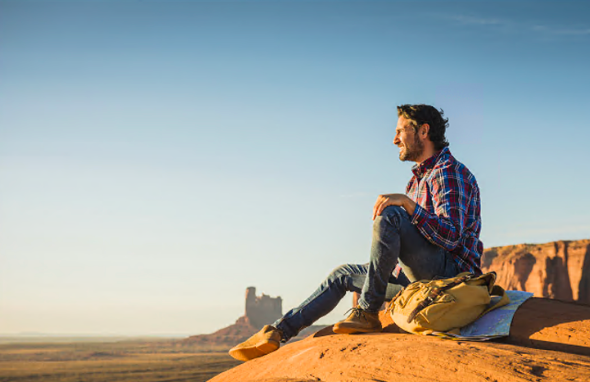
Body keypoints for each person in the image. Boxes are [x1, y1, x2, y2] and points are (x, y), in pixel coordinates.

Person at [229, 104, 483, 362]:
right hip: (418, 277)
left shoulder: (448, 172)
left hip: (452, 276)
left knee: (390, 213)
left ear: (423, 131)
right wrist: (381, 269)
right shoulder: (417, 179)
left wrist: (408, 204)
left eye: (400, 131)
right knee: (342, 275)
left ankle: (367, 312)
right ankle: (277, 332)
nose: (394, 139)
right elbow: (410, 245)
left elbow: (451, 235)